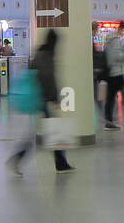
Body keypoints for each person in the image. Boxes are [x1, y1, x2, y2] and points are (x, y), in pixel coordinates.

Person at [7, 29, 74, 174]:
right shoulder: (47, 55)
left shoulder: (40, 52)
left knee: (48, 130)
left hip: (40, 97)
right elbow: (48, 77)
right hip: (42, 98)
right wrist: (55, 97)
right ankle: (19, 158)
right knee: (45, 131)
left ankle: (60, 162)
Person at [102, 30, 124, 130]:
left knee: (110, 98)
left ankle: (109, 120)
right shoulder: (116, 42)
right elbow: (117, 57)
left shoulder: (108, 43)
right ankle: (110, 120)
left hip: (110, 74)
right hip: (116, 73)